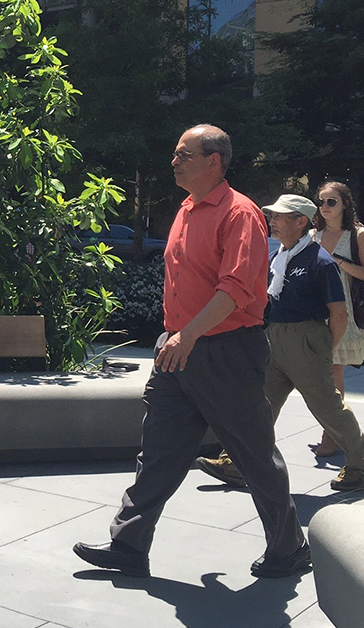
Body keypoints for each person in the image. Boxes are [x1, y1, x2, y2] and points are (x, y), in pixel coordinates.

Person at [73, 125, 309, 579]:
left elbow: (236, 289)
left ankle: (289, 547)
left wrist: (190, 335)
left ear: (213, 161)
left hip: (224, 351)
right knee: (159, 449)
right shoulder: (185, 209)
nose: (174, 161)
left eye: (184, 154)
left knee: (253, 453)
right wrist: (173, 335)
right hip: (179, 347)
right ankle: (128, 545)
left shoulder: (239, 214)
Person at [194, 194, 364, 491]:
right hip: (276, 338)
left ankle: (360, 465)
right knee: (258, 404)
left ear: (300, 222)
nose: (272, 220)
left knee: (327, 408)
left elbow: (339, 314)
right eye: (271, 215)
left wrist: (323, 348)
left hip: (306, 339)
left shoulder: (319, 260)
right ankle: (236, 463)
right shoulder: (279, 258)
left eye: (280, 216)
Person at [310, 181, 364, 457]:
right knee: (316, 374)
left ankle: (331, 433)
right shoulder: (312, 236)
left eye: (332, 202)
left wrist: (339, 262)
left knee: (334, 370)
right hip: (314, 310)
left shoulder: (358, 235)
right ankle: (336, 427)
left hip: (344, 310)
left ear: (345, 203)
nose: (325, 207)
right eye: (321, 202)